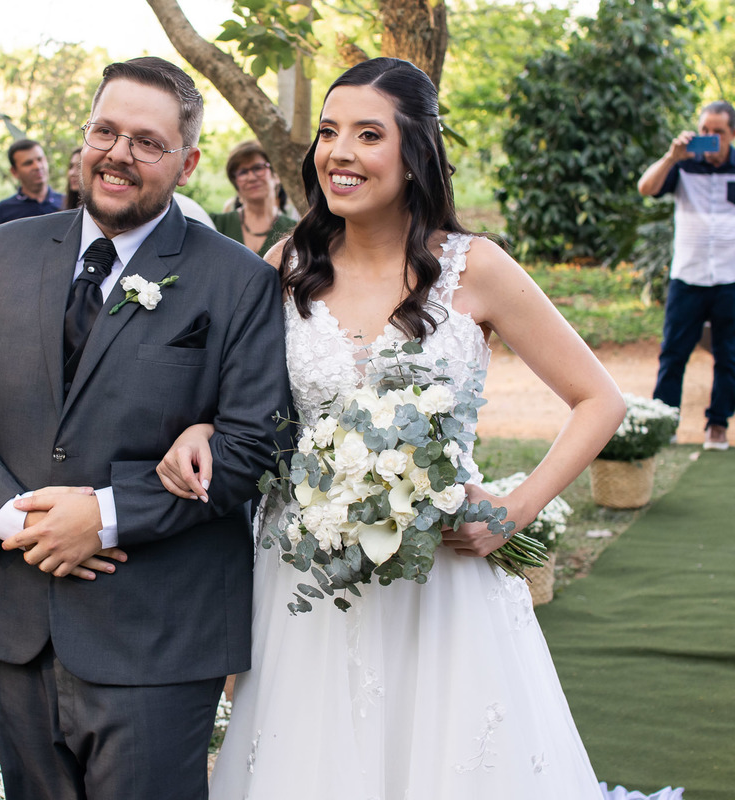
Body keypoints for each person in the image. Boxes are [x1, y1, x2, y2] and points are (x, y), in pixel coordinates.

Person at [156, 58, 626, 799]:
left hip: (439, 580)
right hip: (304, 581)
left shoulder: (479, 270)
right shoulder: (283, 266)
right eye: (329, 132)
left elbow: (600, 400)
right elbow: (234, 405)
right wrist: (200, 432)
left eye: (368, 134)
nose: (339, 152)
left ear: (414, 155)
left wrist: (512, 510)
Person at [0, 56, 289, 800]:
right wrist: (23, 521)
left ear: (185, 164)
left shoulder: (239, 280)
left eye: (147, 142)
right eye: (105, 130)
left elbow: (254, 444)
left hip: (156, 629)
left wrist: (106, 517)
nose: (118, 153)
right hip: (17, 618)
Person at [637, 100, 735, 451]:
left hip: (730, 278)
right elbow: (646, 188)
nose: (709, 138)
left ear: (732, 134)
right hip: (688, 277)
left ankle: (718, 424)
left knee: (730, 356)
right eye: (704, 130)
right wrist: (671, 156)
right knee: (673, 354)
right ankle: (666, 422)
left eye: (718, 132)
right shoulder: (682, 166)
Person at [210, 141, 297, 257]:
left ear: (275, 175)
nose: (251, 177)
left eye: (258, 168)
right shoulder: (217, 224)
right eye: (243, 172)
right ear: (235, 183)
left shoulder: (294, 230)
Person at [0, 138, 63, 227]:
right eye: (28, 163)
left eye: (40, 159)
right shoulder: (1, 212)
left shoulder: (68, 204)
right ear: (14, 171)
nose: (37, 166)